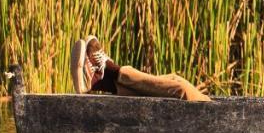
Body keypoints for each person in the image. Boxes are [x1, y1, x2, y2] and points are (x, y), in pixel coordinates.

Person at [70, 35, 211, 102]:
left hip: (209, 118)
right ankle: (103, 79)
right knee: (175, 79)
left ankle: (108, 74)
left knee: (182, 90)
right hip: (209, 109)